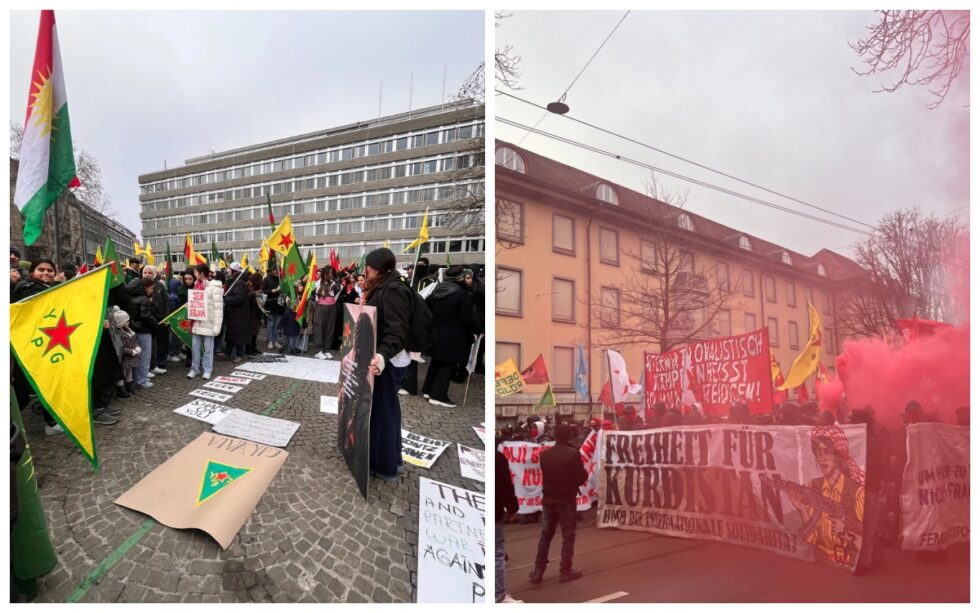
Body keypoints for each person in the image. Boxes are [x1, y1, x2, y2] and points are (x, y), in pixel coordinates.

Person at [363, 248, 412, 481]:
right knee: (388, 409)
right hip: (385, 358)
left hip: (389, 360)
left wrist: (381, 356)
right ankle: (392, 458)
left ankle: (385, 466)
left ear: (376, 269)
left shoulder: (393, 289)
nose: (366, 272)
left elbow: (397, 330)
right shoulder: (387, 285)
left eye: (368, 268)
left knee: (384, 412)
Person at [785, 424, 865, 568]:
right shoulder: (814, 486)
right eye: (818, 453)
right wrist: (802, 509)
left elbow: (863, 541)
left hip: (848, 561)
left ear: (838, 456)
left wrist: (845, 530)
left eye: (827, 452)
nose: (822, 458)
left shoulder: (856, 492)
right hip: (821, 560)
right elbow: (812, 538)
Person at [529, 424, 587, 584]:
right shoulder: (573, 454)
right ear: (569, 438)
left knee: (546, 536)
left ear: (555, 437)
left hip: (548, 499)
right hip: (566, 500)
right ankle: (565, 570)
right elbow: (581, 478)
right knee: (568, 535)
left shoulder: (545, 455)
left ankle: (538, 571)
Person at [422, 267, 479, 408]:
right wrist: (478, 330)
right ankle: (438, 395)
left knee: (436, 362)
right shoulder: (462, 294)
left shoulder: (438, 290)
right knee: (448, 365)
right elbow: (467, 318)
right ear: (460, 278)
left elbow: (426, 306)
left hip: (437, 332)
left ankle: (428, 390)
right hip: (455, 335)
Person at [496, 449, 523, 603]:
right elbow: (504, 485)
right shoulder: (498, 457)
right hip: (495, 512)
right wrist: (512, 508)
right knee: (496, 554)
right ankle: (499, 597)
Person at [188, 264, 223, 380]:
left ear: (202, 274)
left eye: (196, 272)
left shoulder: (214, 287)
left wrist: (216, 327)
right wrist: (189, 306)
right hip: (197, 323)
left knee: (208, 349)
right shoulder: (196, 285)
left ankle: (207, 370)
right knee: (195, 348)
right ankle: (194, 369)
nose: (194, 274)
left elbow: (218, 308)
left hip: (209, 324)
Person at [124, 278, 159, 389]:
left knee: (137, 355)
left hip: (134, 329)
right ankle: (142, 380)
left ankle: (138, 377)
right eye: (151, 288)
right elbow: (146, 316)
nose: (152, 291)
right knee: (145, 356)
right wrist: (156, 324)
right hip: (144, 330)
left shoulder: (130, 297)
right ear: (145, 288)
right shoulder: (144, 299)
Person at [222, 263, 251, 363]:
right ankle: (227, 353)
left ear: (234, 271)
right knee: (231, 335)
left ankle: (240, 354)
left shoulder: (239, 283)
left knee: (238, 336)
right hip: (233, 314)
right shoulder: (235, 282)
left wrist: (225, 299)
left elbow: (239, 299)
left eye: (230, 270)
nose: (228, 271)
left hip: (238, 315)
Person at [312, 266, 340, 360]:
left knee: (330, 328)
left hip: (331, 307)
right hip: (320, 307)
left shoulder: (335, 283)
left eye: (332, 273)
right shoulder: (317, 283)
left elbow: (337, 292)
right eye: (328, 273)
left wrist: (336, 282)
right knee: (319, 328)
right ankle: (318, 351)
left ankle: (326, 350)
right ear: (324, 273)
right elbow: (313, 294)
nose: (330, 275)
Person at [113, 309, 141, 396]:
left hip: (131, 357)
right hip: (124, 357)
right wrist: (131, 351)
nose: (128, 323)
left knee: (129, 372)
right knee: (122, 373)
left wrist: (137, 346)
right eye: (126, 321)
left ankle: (129, 385)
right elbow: (120, 348)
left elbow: (134, 340)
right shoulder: (118, 334)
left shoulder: (129, 331)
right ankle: (121, 388)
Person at [261, 268, 285, 350]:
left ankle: (275, 341)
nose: (276, 272)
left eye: (278, 271)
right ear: (272, 270)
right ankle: (270, 340)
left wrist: (282, 290)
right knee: (270, 325)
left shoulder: (282, 280)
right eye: (275, 270)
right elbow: (263, 291)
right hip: (270, 305)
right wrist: (271, 291)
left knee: (277, 325)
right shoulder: (267, 279)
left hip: (280, 306)